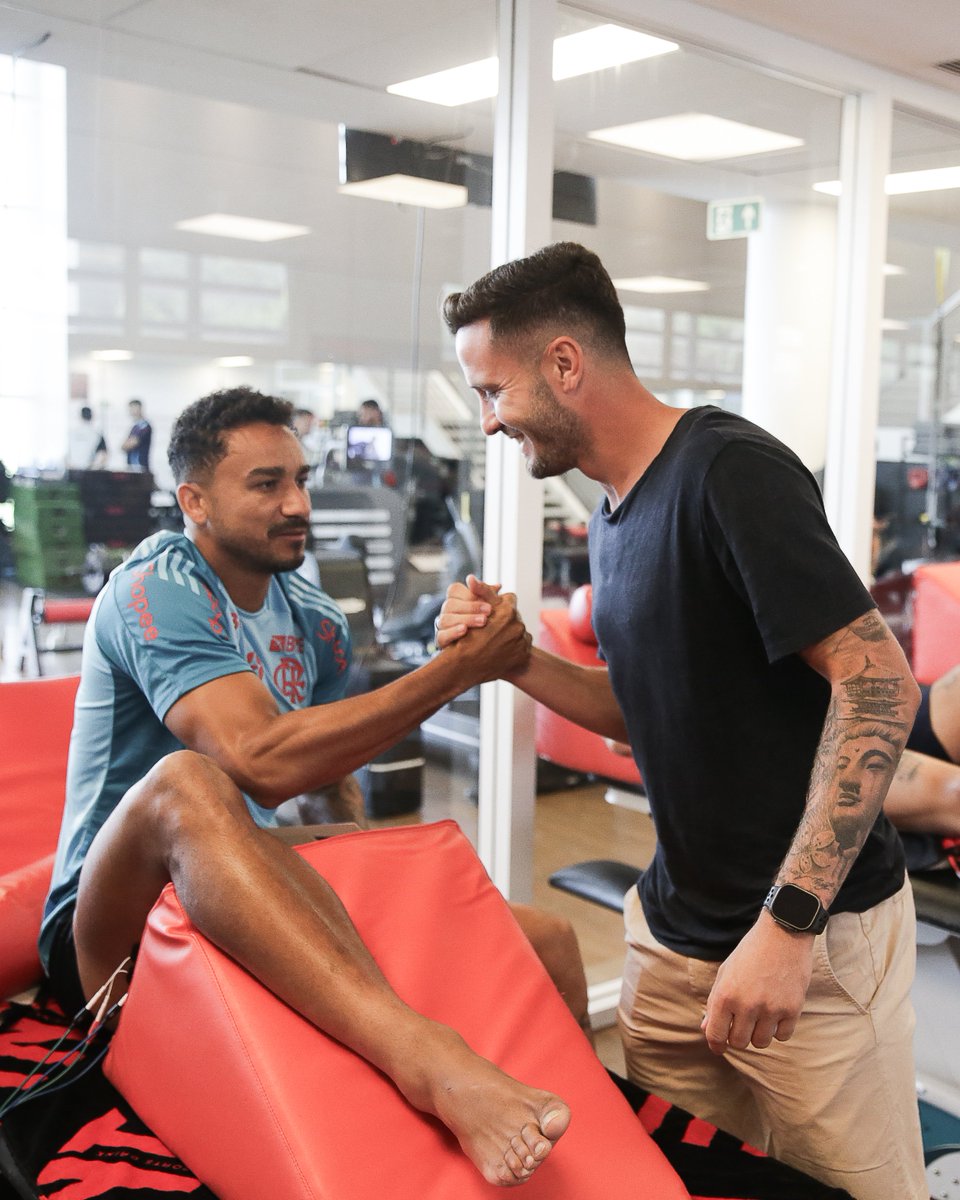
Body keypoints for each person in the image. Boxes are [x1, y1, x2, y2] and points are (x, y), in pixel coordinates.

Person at [436, 242, 927, 1199]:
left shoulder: (727, 471)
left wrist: (786, 927)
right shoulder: (613, 515)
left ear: (565, 363)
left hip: (811, 947)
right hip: (671, 941)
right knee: (684, 1182)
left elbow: (879, 684)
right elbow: (645, 703)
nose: (490, 422)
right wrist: (517, 662)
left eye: (494, 391)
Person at [39, 386, 573, 1187]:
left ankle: (584, 1148)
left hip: (246, 895)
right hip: (118, 924)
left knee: (548, 941)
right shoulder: (157, 587)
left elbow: (328, 789)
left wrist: (389, 893)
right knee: (190, 781)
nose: (297, 503)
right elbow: (258, 760)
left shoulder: (312, 616)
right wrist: (453, 672)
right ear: (195, 501)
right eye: (265, 485)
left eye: (300, 478)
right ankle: (426, 1058)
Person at [69, 405, 108, 470]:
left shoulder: (71, 433)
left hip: (73, 470)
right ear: (92, 416)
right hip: (88, 471)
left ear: (80, 416)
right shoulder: (97, 434)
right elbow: (104, 455)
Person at [122, 398, 152, 471]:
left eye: (133, 408)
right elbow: (123, 446)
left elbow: (131, 443)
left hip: (140, 466)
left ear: (140, 408)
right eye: (130, 409)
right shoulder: (135, 427)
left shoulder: (144, 426)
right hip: (132, 466)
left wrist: (126, 444)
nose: (131, 411)